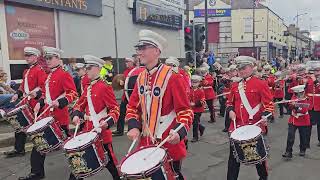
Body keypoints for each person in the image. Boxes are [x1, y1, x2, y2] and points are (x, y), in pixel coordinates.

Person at [125, 30, 193, 180]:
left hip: (168, 141)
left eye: (143, 48)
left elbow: (185, 111)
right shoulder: (140, 77)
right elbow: (132, 107)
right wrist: (134, 126)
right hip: (146, 141)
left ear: (156, 51)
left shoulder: (173, 77)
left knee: (172, 176)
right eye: (139, 49)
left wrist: (178, 132)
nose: (139, 53)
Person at [19, 46, 78, 180]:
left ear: (58, 58)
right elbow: (45, 94)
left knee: (69, 148)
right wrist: (40, 102)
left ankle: (78, 172)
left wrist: (60, 102)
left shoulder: (64, 74)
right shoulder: (49, 75)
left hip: (59, 118)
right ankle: (37, 173)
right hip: (47, 117)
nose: (48, 61)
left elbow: (73, 93)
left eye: (50, 58)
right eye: (46, 58)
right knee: (39, 145)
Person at [72, 55, 121, 180]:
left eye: (89, 67)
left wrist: (107, 122)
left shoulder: (104, 86)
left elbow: (115, 109)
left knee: (110, 162)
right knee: (80, 160)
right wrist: (76, 114)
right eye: (86, 68)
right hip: (88, 130)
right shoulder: (89, 87)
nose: (86, 70)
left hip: (101, 131)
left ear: (98, 68)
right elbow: (79, 104)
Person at [226, 56, 274, 180]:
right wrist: (230, 110)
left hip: (254, 126)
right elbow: (229, 103)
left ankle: (263, 177)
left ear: (252, 67)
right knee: (233, 158)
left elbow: (269, 105)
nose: (242, 71)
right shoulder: (235, 85)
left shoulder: (261, 84)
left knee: (258, 157)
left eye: (244, 68)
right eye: (240, 69)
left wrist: (265, 115)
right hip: (238, 127)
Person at [4, 47, 47, 158]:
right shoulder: (27, 71)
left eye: (29, 56)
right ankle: (19, 149)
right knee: (19, 125)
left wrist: (35, 93)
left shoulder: (39, 70)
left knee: (37, 129)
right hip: (26, 103)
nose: (26, 58)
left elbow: (44, 87)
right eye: (25, 56)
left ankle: (46, 146)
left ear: (35, 57)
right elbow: (23, 86)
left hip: (35, 103)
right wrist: (17, 94)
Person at [282, 85, 310, 159]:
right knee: (290, 136)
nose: (299, 95)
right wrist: (286, 104)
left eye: (300, 93)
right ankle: (288, 152)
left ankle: (302, 150)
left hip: (303, 120)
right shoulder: (294, 97)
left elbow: (304, 110)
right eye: (297, 94)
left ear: (303, 92)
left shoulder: (306, 98)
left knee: (303, 136)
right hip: (293, 119)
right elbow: (290, 107)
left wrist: (295, 105)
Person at [113, 57, 136, 136]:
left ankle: (132, 129)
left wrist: (125, 82)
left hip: (132, 96)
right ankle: (120, 130)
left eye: (128, 62)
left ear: (132, 62)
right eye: (126, 62)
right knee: (121, 113)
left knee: (132, 113)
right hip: (125, 96)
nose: (126, 63)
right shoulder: (125, 72)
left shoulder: (135, 71)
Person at [305, 63, 320, 147]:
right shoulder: (309, 79)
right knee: (308, 125)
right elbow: (305, 91)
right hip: (310, 105)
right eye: (315, 70)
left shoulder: (315, 80)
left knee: (319, 125)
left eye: (318, 70)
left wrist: (316, 81)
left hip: (319, 106)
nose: (316, 72)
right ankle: (306, 143)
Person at [190, 75, 205, 142]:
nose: (193, 84)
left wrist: (195, 104)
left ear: (199, 83)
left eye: (195, 82)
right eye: (192, 82)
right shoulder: (190, 90)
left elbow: (203, 101)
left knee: (195, 124)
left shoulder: (201, 91)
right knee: (194, 122)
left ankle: (195, 137)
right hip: (191, 109)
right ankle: (201, 128)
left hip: (198, 110)